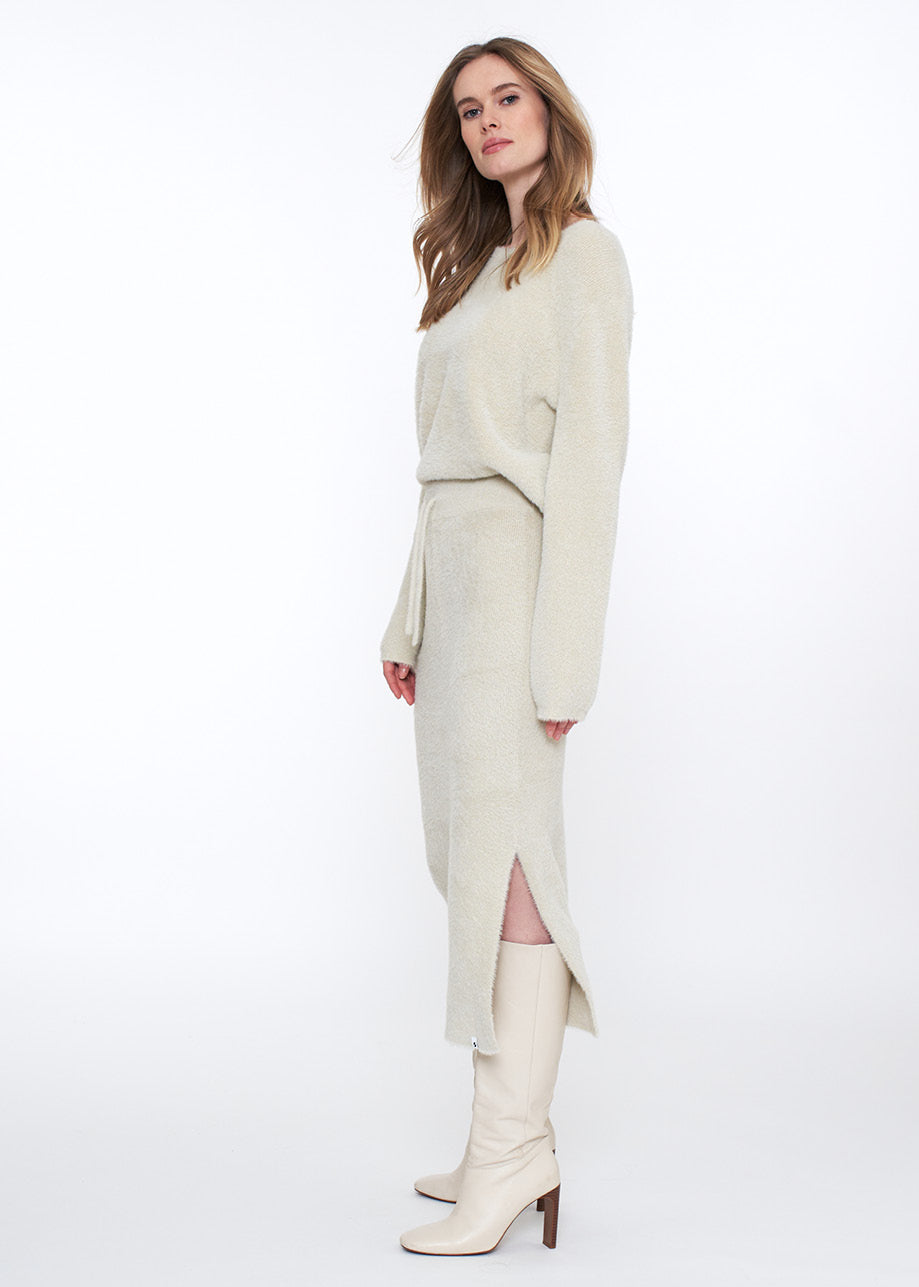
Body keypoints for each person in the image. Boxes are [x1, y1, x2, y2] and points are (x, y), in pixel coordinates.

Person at [379, 36, 634, 1256]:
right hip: (458, 590)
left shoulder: (585, 256)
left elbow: (588, 464)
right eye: (469, 110)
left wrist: (565, 656)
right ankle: (503, 1137)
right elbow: (444, 462)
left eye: (507, 98)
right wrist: (409, 610)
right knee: (466, 855)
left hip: (523, 589)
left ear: (549, 109)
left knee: (515, 860)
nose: (487, 122)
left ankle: (512, 1149)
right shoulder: (481, 266)